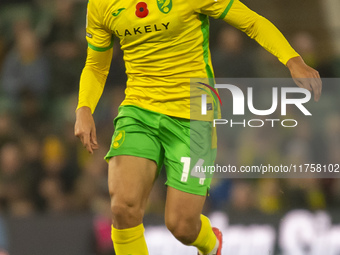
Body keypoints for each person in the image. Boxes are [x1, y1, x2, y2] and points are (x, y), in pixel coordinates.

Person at [74, 0, 322, 254]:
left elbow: (251, 21)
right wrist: (84, 107)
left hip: (194, 113)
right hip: (139, 111)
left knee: (182, 226)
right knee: (122, 208)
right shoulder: (100, 4)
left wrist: (292, 60)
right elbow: (96, 65)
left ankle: (211, 244)